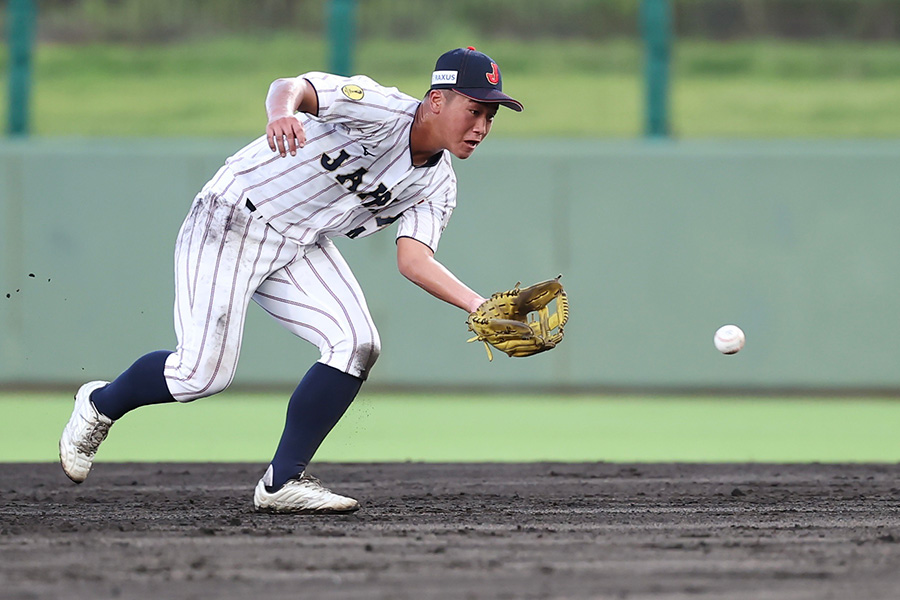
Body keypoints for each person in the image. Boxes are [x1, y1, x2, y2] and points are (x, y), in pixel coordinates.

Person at [59, 47, 523, 514]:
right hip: (233, 215)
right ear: (438, 100)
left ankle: (282, 481)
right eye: (475, 110)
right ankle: (100, 403)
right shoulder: (381, 108)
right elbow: (294, 86)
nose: (482, 126)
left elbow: (414, 260)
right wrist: (281, 114)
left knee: (357, 343)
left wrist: (478, 306)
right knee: (199, 374)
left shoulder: (437, 184)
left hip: (298, 243)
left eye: (490, 116)